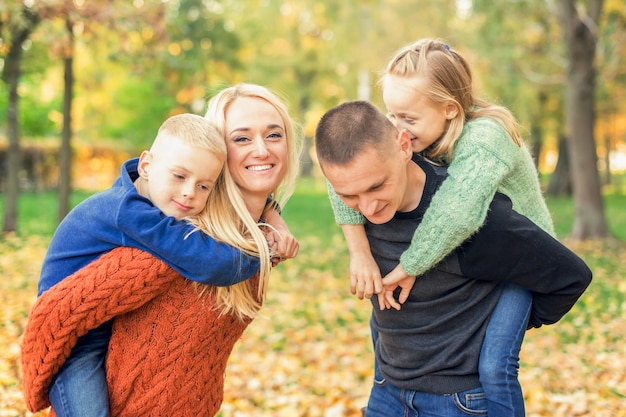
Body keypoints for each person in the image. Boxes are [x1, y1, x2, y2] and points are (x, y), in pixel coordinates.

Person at [21, 83, 303, 417]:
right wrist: (266, 250)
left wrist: (271, 220)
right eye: (241, 138)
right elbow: (56, 312)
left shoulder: (228, 226)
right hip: (83, 352)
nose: (261, 150)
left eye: (274, 135)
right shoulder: (170, 236)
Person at [315, 100, 591, 417]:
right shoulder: (359, 204)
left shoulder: (468, 219)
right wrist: (358, 251)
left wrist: (494, 328)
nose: (367, 208)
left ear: (404, 146)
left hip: (456, 403)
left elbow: (571, 277)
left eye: (376, 186)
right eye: (349, 195)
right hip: (385, 393)